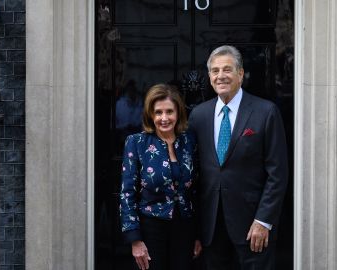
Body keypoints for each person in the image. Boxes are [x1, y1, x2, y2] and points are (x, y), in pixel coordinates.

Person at [188, 45, 288, 269]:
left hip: (253, 226)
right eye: (215, 71)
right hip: (211, 227)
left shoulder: (266, 112)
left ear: (241, 74)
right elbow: (194, 173)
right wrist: (194, 228)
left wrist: (264, 221)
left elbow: (277, 174)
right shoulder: (198, 116)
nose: (220, 76)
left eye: (227, 69)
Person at [120, 84, 202, 270]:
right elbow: (127, 194)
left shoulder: (189, 140)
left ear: (178, 113)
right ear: (150, 114)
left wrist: (199, 234)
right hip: (150, 229)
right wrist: (135, 239)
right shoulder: (136, 143)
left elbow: (197, 189)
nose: (164, 118)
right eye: (158, 112)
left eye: (169, 112)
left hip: (184, 228)